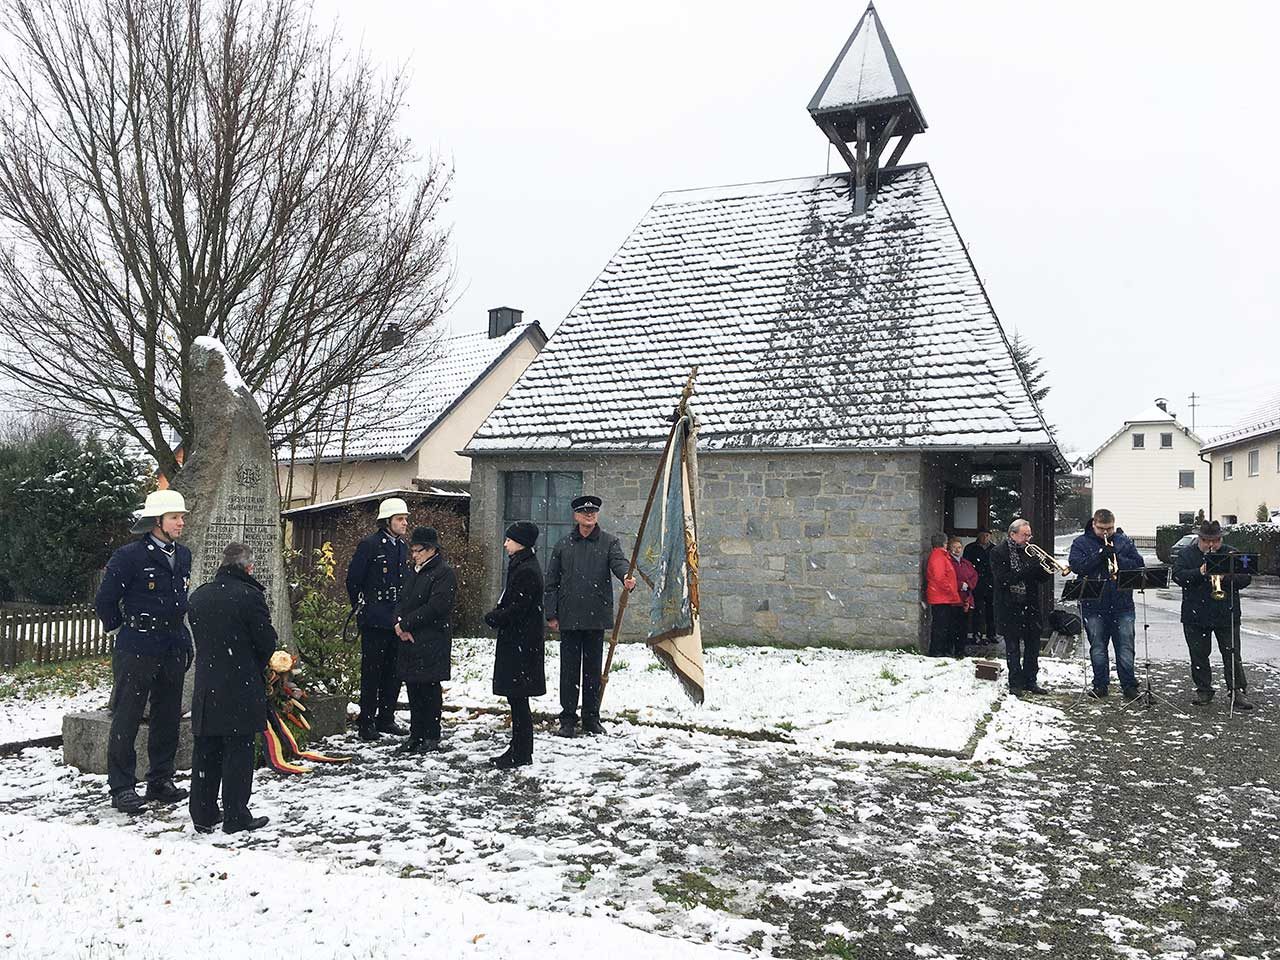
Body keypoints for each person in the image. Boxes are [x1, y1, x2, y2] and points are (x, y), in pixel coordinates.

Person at [94, 489, 193, 814]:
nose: (181, 523)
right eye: (175, 517)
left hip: (173, 644)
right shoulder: (129, 556)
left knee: (167, 715)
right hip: (138, 646)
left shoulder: (184, 555)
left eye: (181, 517)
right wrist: (121, 630)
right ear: (157, 521)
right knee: (128, 715)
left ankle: (160, 779)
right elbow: (105, 601)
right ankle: (122, 786)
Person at [187, 542, 275, 834]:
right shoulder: (250, 597)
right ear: (248, 568)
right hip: (240, 684)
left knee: (206, 750)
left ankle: (203, 812)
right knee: (238, 752)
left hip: (207, 685)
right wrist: (252, 665)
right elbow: (267, 643)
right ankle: (236, 815)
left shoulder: (199, 596)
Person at [545, 494, 636, 738]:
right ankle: (567, 719)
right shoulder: (563, 545)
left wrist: (626, 576)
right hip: (569, 617)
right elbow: (551, 582)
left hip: (595, 616)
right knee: (569, 671)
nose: (589, 515)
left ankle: (591, 718)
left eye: (593, 512)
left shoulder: (609, 542)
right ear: (576, 516)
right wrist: (551, 614)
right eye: (585, 512)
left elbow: (619, 563)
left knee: (592, 671)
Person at [346, 497, 410, 741]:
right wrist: (360, 609)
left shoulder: (402, 547)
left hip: (396, 619)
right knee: (372, 673)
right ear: (387, 521)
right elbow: (353, 580)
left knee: (394, 672)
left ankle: (386, 718)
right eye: (399, 519)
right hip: (374, 619)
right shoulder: (370, 545)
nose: (404, 523)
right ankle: (367, 721)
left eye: (405, 519)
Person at [483, 521, 546, 769]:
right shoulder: (522, 565)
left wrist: (495, 617)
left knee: (518, 700)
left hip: (521, 643)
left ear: (520, 542)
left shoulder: (526, 569)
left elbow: (518, 608)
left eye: (509, 539)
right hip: (519, 641)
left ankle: (521, 751)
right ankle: (519, 747)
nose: (505, 543)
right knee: (516, 699)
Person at [1172, 520, 1254, 709]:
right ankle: (1204, 690)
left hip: (1226, 613)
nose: (1211, 545)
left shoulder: (1231, 553)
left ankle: (1237, 690)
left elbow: (1246, 578)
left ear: (1221, 539)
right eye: (1207, 541)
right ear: (1199, 539)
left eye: (1215, 541)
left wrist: (1226, 578)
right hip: (1195, 614)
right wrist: (1199, 572)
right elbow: (1178, 576)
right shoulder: (1187, 554)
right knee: (1199, 655)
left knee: (1232, 654)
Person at [1067, 508, 1145, 701]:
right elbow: (1076, 566)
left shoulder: (1123, 541)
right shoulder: (1081, 543)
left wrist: (1117, 557)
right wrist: (1099, 556)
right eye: (1101, 528)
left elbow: (1138, 564)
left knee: (1126, 646)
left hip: (1122, 603)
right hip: (1094, 604)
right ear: (1093, 524)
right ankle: (1100, 684)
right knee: (1098, 646)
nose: (1105, 532)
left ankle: (1128, 685)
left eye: (1109, 528)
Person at [393, 526, 457, 752]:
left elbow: (436, 607)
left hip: (431, 638)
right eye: (413, 551)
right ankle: (416, 734)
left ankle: (431, 734)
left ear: (431, 550)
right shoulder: (414, 571)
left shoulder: (443, 573)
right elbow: (401, 599)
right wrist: (399, 624)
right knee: (413, 687)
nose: (414, 555)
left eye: (418, 550)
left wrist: (407, 623)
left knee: (429, 688)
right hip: (410, 639)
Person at [989, 519, 1053, 695]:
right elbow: (1004, 580)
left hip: (1030, 605)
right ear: (1012, 534)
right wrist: (1027, 568)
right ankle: (1015, 683)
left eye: (1029, 534)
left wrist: (1044, 569)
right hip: (1009, 606)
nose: (1028, 538)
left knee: (1033, 646)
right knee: (1013, 648)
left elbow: (1040, 579)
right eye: (1025, 535)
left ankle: (1030, 681)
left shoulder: (1029, 552)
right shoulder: (998, 552)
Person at [924, 533, 961, 657]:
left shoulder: (940, 556)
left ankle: (940, 650)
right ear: (944, 543)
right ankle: (937, 651)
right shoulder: (939, 557)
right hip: (941, 597)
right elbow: (940, 578)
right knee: (941, 626)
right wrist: (951, 591)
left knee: (943, 625)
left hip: (941, 596)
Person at [962, 531, 995, 643]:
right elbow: (966, 565)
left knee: (992, 610)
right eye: (982, 535)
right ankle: (977, 633)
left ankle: (991, 634)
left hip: (991, 583)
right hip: (977, 582)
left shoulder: (994, 549)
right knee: (978, 610)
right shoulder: (971, 548)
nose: (985, 538)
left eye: (987, 535)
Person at [950, 537, 979, 658]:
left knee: (964, 627)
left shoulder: (965, 563)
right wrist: (960, 585)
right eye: (954, 547)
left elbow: (974, 575)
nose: (957, 550)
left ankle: (961, 649)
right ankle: (953, 649)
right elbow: (948, 579)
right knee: (953, 626)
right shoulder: (949, 562)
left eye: (959, 547)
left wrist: (969, 585)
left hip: (966, 598)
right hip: (954, 599)